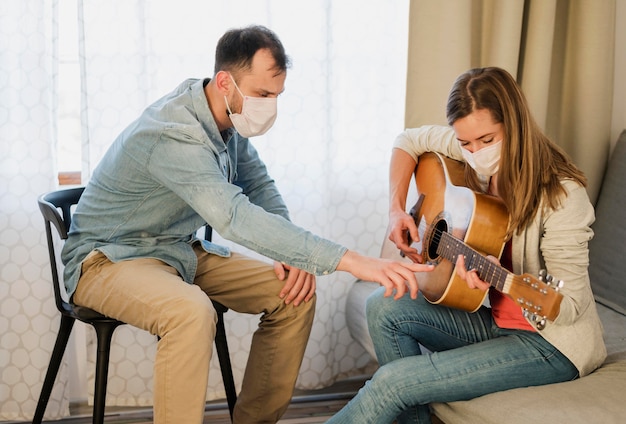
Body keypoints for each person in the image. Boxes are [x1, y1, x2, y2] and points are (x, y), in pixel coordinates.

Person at [61, 25, 433, 424]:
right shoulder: (175, 132)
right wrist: (353, 261)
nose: (270, 106)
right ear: (226, 81)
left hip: (175, 250)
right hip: (109, 260)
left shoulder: (223, 116)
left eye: (277, 96)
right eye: (263, 95)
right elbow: (233, 216)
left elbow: (257, 184)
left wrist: (294, 257)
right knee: (191, 312)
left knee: (294, 294)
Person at [326, 67, 606, 423]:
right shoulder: (471, 150)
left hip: (550, 344)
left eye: (487, 140)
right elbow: (408, 140)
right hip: (497, 322)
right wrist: (397, 211)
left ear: (514, 126)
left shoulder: (563, 196)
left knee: (393, 382)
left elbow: (570, 306)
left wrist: (502, 280)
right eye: (465, 143)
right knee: (382, 305)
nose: (475, 153)